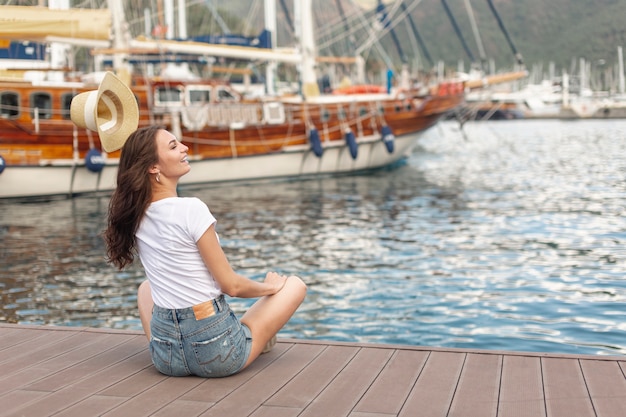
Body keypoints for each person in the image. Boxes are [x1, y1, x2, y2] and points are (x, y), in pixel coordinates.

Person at [103, 125, 307, 377]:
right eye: (173, 146)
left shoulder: (137, 215)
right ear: (153, 167)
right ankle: (250, 338)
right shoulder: (191, 209)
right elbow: (231, 286)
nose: (184, 147)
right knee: (295, 285)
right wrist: (270, 287)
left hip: (167, 360)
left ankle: (174, 342)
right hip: (217, 352)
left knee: (146, 288)